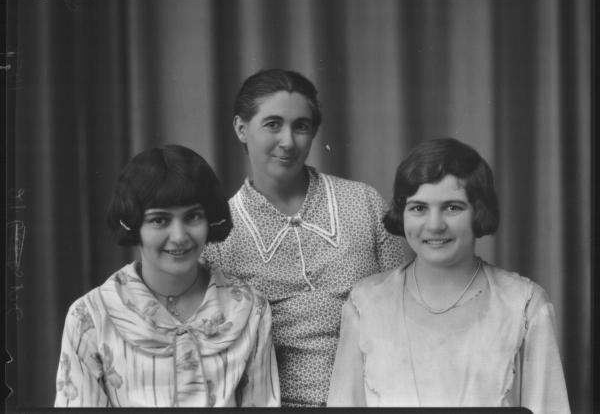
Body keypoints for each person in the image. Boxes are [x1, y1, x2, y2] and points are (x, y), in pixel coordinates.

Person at [203, 68, 411, 407]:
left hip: (374, 398)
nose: (288, 142)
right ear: (241, 129)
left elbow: (405, 306)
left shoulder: (364, 203)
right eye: (272, 124)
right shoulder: (219, 234)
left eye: (301, 126)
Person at [327, 138, 570, 413]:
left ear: (479, 211)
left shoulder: (524, 304)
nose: (434, 225)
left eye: (452, 207)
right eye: (418, 208)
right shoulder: (366, 303)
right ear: (402, 213)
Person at [54, 145, 280, 407]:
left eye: (193, 216)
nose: (179, 236)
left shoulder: (251, 309)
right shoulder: (89, 317)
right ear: (133, 225)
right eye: (159, 220)